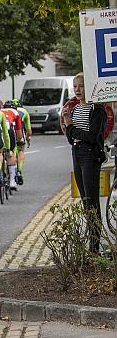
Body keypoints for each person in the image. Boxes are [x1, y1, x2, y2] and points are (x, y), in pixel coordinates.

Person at [61, 72, 108, 253]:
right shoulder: (74, 109)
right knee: (84, 201)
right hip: (77, 154)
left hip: (90, 155)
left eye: (81, 85)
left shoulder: (97, 110)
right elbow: (71, 139)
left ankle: (94, 247)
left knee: (91, 200)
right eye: (75, 86)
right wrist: (66, 125)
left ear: (89, 86)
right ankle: (91, 245)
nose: (77, 90)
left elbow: (91, 137)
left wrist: (71, 126)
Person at [0, 99, 25, 191]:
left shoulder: (0, 111)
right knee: (10, 152)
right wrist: (20, 140)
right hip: (8, 130)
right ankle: (12, 181)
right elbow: (19, 132)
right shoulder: (16, 112)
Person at [14, 98, 31, 185]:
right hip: (20, 134)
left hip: (10, 134)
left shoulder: (7, 111)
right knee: (20, 151)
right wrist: (28, 137)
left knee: (10, 152)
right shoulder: (24, 112)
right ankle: (19, 171)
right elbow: (28, 129)